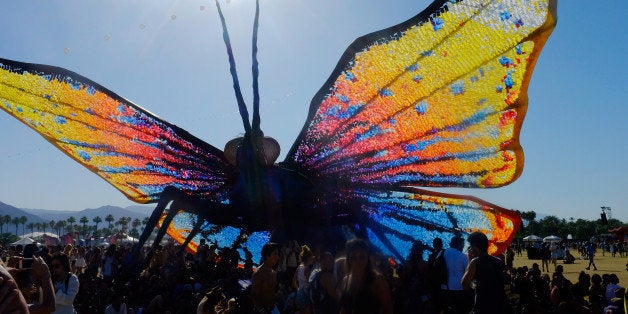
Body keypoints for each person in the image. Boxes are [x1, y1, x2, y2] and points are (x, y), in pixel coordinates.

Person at [338, 238, 392, 314]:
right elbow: (344, 309)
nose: (358, 261)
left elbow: (388, 309)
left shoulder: (377, 280)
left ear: (367, 258)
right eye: (353, 257)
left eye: (362, 257)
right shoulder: (345, 280)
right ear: (348, 259)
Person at [462, 231, 510, 314]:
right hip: (499, 305)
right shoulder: (499, 261)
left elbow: (465, 284)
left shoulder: (475, 262)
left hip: (482, 305)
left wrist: (470, 260)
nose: (469, 249)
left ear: (475, 247)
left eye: (470, 246)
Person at [443, 236, 471, 313]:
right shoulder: (462, 256)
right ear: (459, 245)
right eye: (463, 245)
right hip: (459, 288)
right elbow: (468, 272)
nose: (463, 247)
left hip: (444, 287)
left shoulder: (442, 253)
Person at [251, 242, 281, 313]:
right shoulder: (259, 274)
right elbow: (254, 296)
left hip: (273, 308)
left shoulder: (274, 273)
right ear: (267, 256)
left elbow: (270, 292)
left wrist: (278, 296)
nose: (278, 257)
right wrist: (262, 310)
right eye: (275, 254)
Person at [427, 237, 447, 311]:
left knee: (436, 305)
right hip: (443, 283)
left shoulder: (432, 256)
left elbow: (429, 270)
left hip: (434, 284)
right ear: (442, 244)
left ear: (433, 245)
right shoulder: (446, 254)